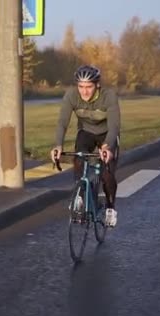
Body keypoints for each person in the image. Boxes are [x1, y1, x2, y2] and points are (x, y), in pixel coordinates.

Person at [51, 65, 121, 227]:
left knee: (107, 173)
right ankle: (81, 194)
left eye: (89, 87)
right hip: (86, 133)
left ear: (97, 85)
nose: (84, 91)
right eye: (81, 87)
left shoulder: (108, 96)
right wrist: (58, 145)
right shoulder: (71, 95)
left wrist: (107, 147)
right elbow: (62, 122)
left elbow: (114, 126)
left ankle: (110, 208)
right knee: (79, 158)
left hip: (107, 134)